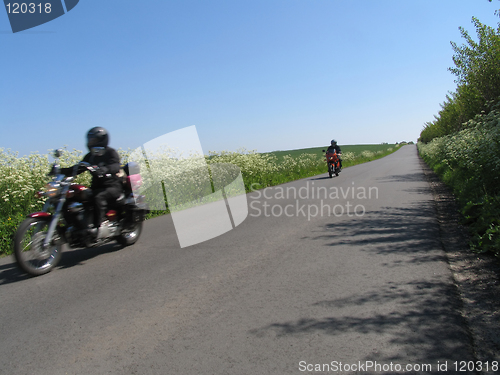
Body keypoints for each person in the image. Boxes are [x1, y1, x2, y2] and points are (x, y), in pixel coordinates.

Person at [61, 127, 123, 239]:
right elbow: (79, 167)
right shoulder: (90, 156)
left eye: (93, 140)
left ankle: (97, 227)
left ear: (102, 140)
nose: (91, 142)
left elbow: (115, 165)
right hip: (96, 187)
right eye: (90, 140)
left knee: (98, 197)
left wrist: (105, 169)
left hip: (112, 186)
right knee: (75, 197)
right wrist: (62, 171)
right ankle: (78, 227)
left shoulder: (110, 152)